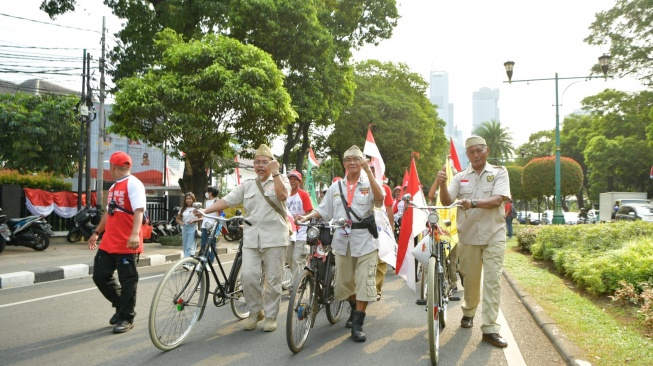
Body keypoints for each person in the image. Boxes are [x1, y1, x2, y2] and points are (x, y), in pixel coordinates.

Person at [297, 145, 384, 343]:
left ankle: (358, 324)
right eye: (349, 160)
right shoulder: (336, 188)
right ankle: (354, 310)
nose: (352, 162)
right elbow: (323, 210)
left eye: (357, 159)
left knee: (364, 282)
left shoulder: (369, 183)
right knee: (344, 284)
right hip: (342, 241)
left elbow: (379, 201)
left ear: (362, 162)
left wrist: (370, 172)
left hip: (365, 241)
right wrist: (306, 216)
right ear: (344, 164)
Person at [199, 144, 290, 332]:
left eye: (265, 162)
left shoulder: (281, 180)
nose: (260, 165)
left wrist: (275, 173)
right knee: (248, 277)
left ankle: (271, 316)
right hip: (251, 239)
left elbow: (282, 195)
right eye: (257, 162)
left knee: (273, 281)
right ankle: (256, 312)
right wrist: (204, 211)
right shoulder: (247, 185)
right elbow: (226, 201)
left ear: (272, 164)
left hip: (275, 239)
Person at [434, 136, 511, 348]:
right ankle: (468, 312)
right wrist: (442, 184)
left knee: (493, 280)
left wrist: (473, 203)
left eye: (479, 151)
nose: (476, 155)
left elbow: (498, 199)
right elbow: (448, 201)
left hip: (493, 234)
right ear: (467, 155)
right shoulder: (460, 177)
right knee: (470, 279)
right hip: (467, 236)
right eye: (471, 152)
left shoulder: (499, 172)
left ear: (487, 151)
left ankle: (490, 328)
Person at [87, 151, 146, 334]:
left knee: (128, 281)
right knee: (100, 275)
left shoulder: (134, 184)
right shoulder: (113, 188)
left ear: (112, 167)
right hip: (109, 242)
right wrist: (97, 232)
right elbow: (109, 213)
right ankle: (122, 306)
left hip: (127, 243)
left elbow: (139, 210)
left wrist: (135, 234)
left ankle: (126, 317)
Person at [428, 158, 460, 291]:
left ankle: (453, 282)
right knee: (438, 254)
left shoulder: (458, 191)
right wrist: (438, 179)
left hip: (454, 229)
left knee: (453, 258)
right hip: (440, 228)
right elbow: (430, 195)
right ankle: (437, 278)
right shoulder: (439, 191)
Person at [370, 165, 394, 301]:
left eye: (374, 169)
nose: (371, 171)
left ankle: (376, 289)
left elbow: (389, 208)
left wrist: (389, 228)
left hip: (381, 228)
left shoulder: (385, 189)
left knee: (381, 259)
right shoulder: (359, 185)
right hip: (363, 228)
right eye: (369, 169)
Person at [285, 170, 314, 285]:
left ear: (299, 182)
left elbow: (309, 212)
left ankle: (297, 285)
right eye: (290, 179)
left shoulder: (303, 194)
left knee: (297, 258)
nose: (292, 181)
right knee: (289, 259)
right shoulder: (284, 194)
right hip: (288, 231)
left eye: (295, 179)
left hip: (301, 231)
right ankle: (298, 280)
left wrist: (302, 218)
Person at [200, 186, 221, 264]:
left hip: (213, 226)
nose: (206, 193)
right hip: (205, 225)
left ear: (211, 192)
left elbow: (220, 214)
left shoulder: (217, 201)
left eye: (207, 192)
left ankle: (210, 261)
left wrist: (218, 226)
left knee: (212, 244)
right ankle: (207, 258)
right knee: (203, 244)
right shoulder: (206, 201)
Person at [177, 192, 199, 263]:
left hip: (192, 227)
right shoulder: (182, 209)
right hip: (185, 228)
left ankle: (186, 263)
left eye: (190, 199)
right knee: (185, 246)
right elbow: (177, 219)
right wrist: (181, 222)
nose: (188, 200)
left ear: (193, 199)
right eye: (187, 199)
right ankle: (191, 260)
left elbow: (202, 218)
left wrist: (194, 220)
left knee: (189, 246)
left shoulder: (196, 208)